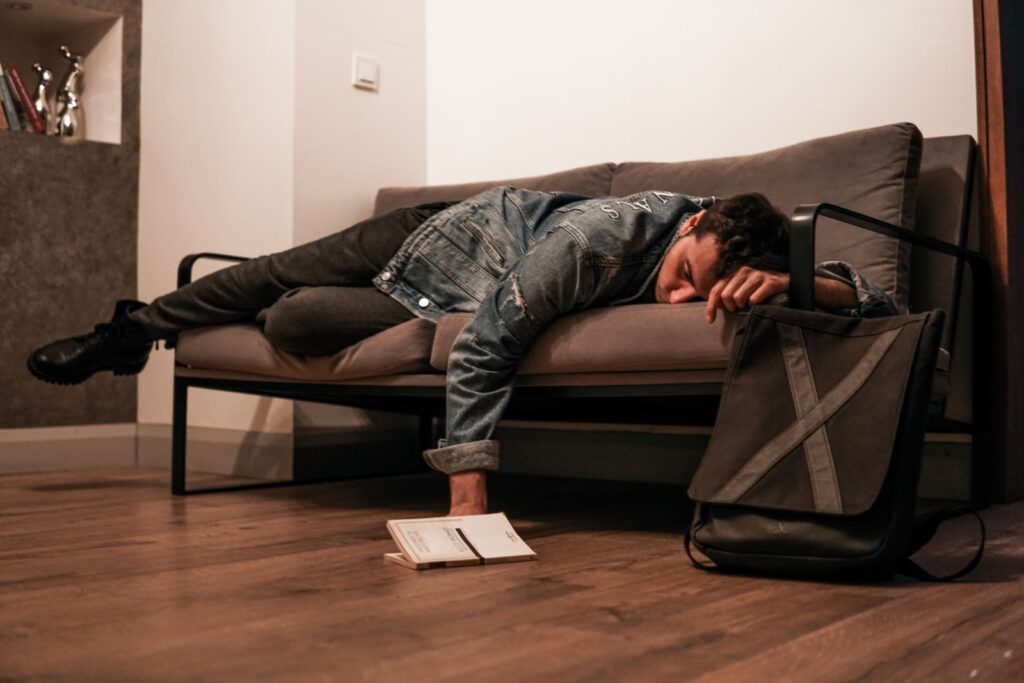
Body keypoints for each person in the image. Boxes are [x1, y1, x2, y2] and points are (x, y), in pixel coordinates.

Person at [28, 187, 897, 515]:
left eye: (695, 295)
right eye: (678, 275)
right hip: (428, 242)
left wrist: (800, 285)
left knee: (292, 322)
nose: (677, 301)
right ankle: (129, 331)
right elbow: (486, 351)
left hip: (439, 296)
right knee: (269, 278)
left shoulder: (750, 238)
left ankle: (371, 328)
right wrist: (469, 490)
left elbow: (882, 299)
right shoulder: (600, 240)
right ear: (691, 225)